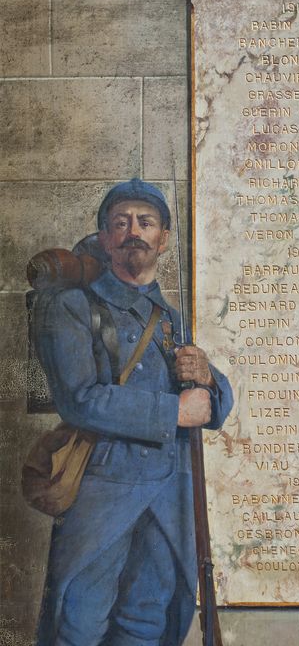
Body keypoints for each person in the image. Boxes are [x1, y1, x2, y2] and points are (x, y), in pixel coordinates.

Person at [32, 178, 233, 646]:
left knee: (148, 619)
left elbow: (213, 398)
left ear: (163, 238)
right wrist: (172, 412)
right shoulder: (73, 307)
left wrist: (207, 377)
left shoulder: (167, 316)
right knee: (80, 621)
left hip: (168, 495)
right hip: (103, 492)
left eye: (146, 223)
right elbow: (79, 398)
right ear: (104, 238)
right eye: (120, 223)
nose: (133, 232)